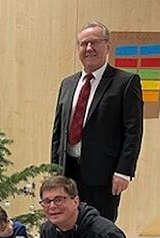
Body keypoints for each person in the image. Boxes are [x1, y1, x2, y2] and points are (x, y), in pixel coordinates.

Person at [50, 21, 143, 222]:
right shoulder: (68, 84)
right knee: (67, 224)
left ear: (107, 46)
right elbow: (58, 132)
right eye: (83, 44)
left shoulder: (125, 83)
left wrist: (124, 171)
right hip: (68, 171)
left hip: (104, 174)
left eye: (95, 42)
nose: (89, 48)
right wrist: (55, 171)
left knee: (99, 227)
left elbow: (133, 131)